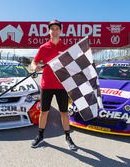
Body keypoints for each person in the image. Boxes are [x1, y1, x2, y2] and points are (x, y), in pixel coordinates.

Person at [30, 20, 77, 151]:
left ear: (60, 31)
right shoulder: (43, 47)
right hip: (46, 85)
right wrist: (35, 67)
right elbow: (33, 63)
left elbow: (73, 66)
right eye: (52, 28)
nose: (55, 31)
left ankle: (68, 137)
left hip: (62, 86)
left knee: (64, 113)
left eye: (57, 28)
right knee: (44, 112)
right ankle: (40, 135)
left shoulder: (66, 48)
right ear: (49, 31)